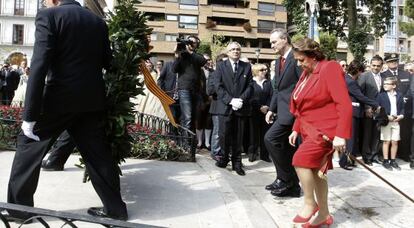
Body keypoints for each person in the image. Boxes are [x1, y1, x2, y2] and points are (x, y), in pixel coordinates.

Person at [5, 0, 128, 222]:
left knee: (28, 145)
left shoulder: (48, 16)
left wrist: (29, 115)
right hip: (91, 100)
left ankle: (19, 210)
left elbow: (40, 64)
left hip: (57, 100)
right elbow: (108, 62)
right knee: (98, 155)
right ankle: (115, 210)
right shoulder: (98, 22)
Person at [288, 38, 352, 227]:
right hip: (309, 129)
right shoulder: (307, 73)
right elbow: (304, 105)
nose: (299, 64)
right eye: (297, 60)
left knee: (299, 161)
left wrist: (341, 135)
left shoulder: (329, 68)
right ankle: (324, 214)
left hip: (325, 130)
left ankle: (310, 203)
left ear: (314, 56)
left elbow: (344, 103)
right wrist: (296, 128)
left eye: (301, 60)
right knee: (316, 172)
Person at [264, 28, 302, 197]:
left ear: (285, 39)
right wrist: (272, 109)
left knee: (270, 139)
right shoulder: (280, 60)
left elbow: (303, 87)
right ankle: (288, 183)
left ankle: (286, 179)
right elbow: (278, 89)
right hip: (282, 111)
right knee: (285, 147)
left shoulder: (296, 58)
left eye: (274, 42)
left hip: (294, 113)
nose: (271, 45)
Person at [214, 42, 253, 176]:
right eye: (233, 49)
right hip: (225, 107)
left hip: (241, 107)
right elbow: (217, 86)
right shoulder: (220, 66)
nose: (236, 51)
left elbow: (250, 86)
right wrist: (230, 100)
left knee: (238, 137)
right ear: (228, 52)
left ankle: (237, 163)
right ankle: (224, 159)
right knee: (224, 136)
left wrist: (241, 99)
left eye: (238, 49)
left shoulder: (246, 66)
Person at [340, 60, 379, 170]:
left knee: (352, 139)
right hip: (352, 112)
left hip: (353, 112)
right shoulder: (350, 82)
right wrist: (375, 104)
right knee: (350, 139)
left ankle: (350, 160)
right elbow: (361, 96)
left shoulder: (347, 78)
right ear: (357, 71)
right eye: (361, 72)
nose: (361, 74)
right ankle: (345, 162)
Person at [172, 35, 207, 131]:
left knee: (194, 117)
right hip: (184, 90)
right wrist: (177, 55)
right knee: (187, 117)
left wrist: (190, 52)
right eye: (189, 42)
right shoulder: (182, 56)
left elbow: (203, 61)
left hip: (196, 90)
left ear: (197, 45)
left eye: (193, 42)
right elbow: (174, 69)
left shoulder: (197, 56)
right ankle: (186, 144)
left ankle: (190, 142)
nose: (190, 44)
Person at [382, 53, 412, 162]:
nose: (393, 63)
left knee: (403, 133)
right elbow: (382, 91)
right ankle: (385, 156)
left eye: (395, 60)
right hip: (390, 109)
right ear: (387, 63)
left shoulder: (406, 74)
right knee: (386, 135)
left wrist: (406, 97)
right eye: (390, 61)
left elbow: (410, 88)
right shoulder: (383, 75)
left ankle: (403, 154)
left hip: (404, 108)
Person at [357, 55, 384, 165]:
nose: (376, 68)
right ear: (370, 65)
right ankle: (366, 156)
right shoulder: (364, 76)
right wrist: (366, 108)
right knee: (367, 134)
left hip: (380, 110)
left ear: (382, 66)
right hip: (368, 110)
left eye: (378, 66)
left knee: (377, 133)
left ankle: (374, 155)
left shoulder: (384, 76)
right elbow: (360, 94)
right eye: (374, 65)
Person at [377, 77, 404, 171]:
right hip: (386, 121)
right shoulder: (381, 95)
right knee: (386, 141)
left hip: (396, 121)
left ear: (394, 85)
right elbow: (378, 109)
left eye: (388, 84)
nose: (385, 85)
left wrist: (401, 116)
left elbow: (402, 108)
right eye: (384, 84)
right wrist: (386, 116)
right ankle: (385, 160)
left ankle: (393, 160)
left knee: (395, 141)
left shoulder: (399, 95)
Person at [248, 64, 272, 162]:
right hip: (254, 111)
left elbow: (272, 96)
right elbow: (250, 97)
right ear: (256, 71)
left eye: (266, 69)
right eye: (262, 70)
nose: (265, 71)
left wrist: (268, 106)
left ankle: (264, 155)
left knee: (265, 134)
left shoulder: (268, 83)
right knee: (253, 134)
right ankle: (252, 153)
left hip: (266, 112)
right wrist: (259, 107)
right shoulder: (251, 83)